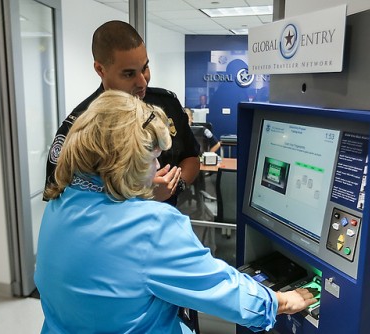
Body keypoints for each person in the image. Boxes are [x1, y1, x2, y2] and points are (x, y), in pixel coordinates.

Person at [35, 90, 316, 334]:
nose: (157, 168)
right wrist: (279, 302)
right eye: (153, 157)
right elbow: (219, 288)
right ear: (125, 161)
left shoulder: (60, 201)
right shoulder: (151, 226)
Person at [44, 20, 200, 206]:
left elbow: (190, 156)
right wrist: (143, 194)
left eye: (145, 68)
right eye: (129, 74)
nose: (143, 82)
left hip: (164, 218)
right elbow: (61, 198)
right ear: (100, 69)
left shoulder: (166, 103)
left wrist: (176, 185)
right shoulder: (81, 124)